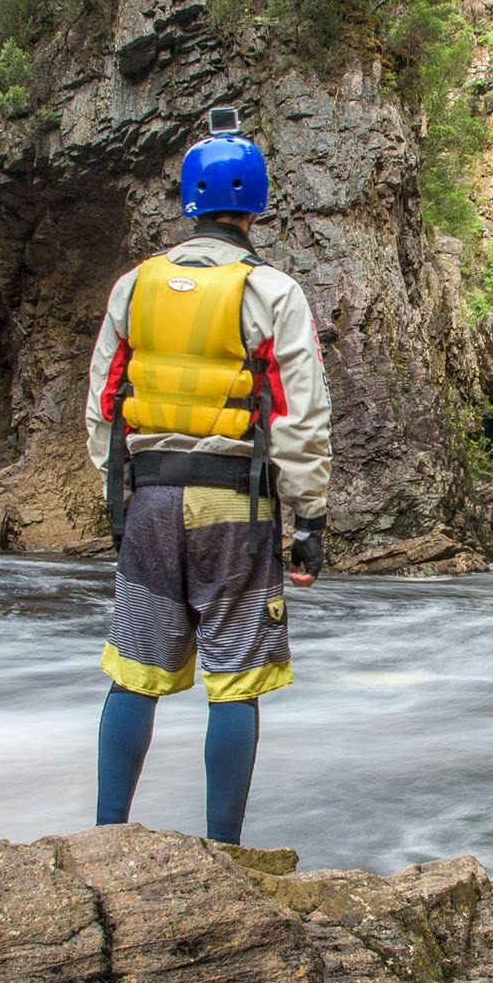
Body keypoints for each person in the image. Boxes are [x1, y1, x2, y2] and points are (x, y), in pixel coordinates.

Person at [83, 118, 331, 842]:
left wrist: (120, 492)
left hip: (151, 500)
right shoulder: (274, 292)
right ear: (254, 206)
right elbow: (299, 413)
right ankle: (223, 850)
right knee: (238, 679)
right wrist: (308, 522)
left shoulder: (134, 286)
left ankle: (105, 836)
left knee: (133, 671)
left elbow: (104, 399)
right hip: (234, 506)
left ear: (189, 203)